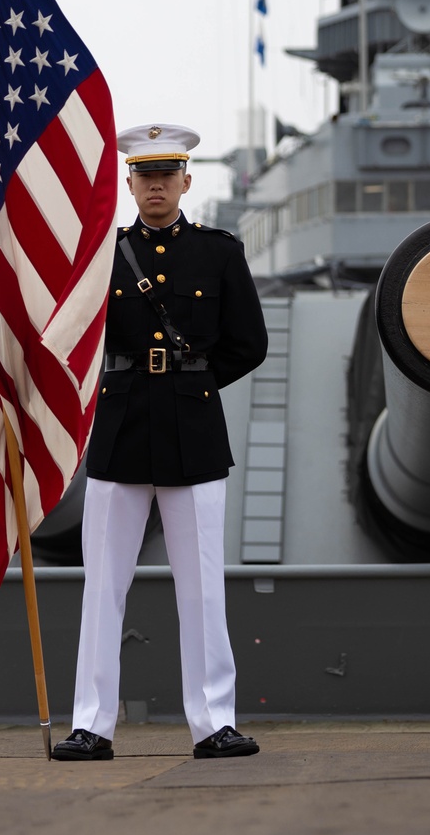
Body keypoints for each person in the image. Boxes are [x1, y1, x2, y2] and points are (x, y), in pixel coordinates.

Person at [53, 124, 269, 761]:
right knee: (103, 585)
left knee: (201, 586)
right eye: (144, 176)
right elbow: (74, 336)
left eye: (166, 175)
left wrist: (189, 382)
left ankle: (213, 723)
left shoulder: (219, 252)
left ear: (186, 181)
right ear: (129, 182)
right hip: (120, 429)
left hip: (193, 430)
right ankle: (91, 724)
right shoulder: (103, 255)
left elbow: (248, 344)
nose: (155, 186)